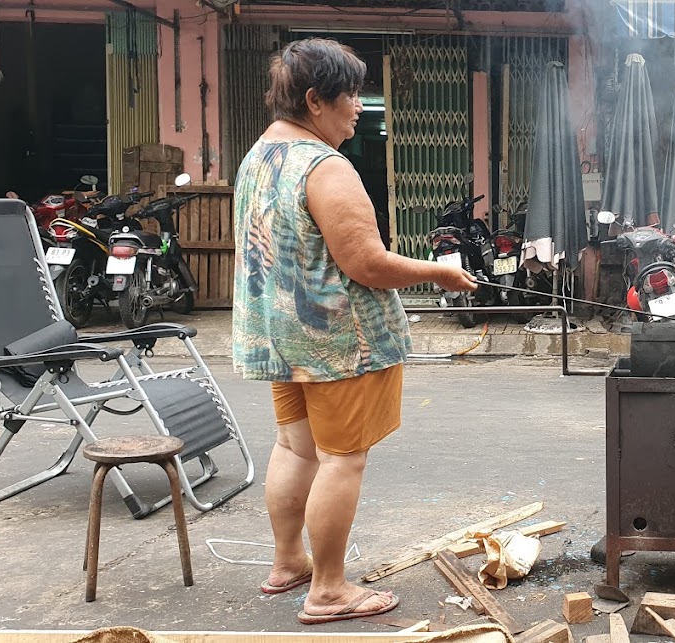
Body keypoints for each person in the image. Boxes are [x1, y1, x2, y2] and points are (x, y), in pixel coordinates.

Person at [232, 38, 476, 625]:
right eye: (350, 97)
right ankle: (330, 589)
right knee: (342, 459)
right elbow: (366, 263)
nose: (359, 108)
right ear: (316, 101)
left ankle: (290, 562)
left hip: (280, 336)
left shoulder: (260, 155)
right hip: (337, 342)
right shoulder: (325, 166)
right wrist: (439, 272)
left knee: (295, 446)